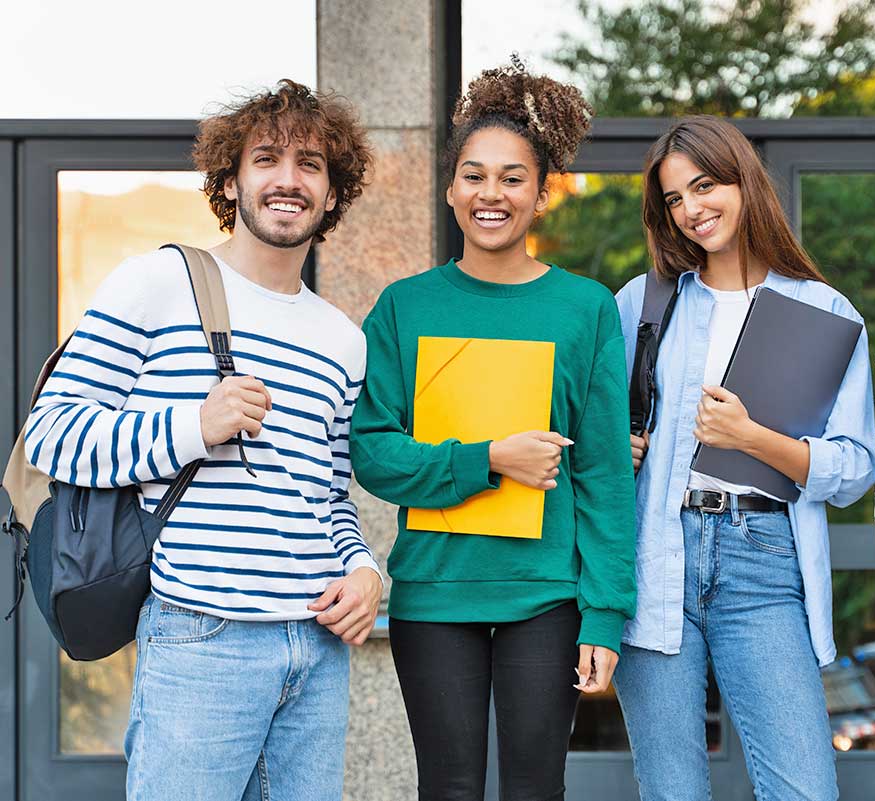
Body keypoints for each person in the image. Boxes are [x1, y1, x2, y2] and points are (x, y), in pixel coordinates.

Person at [23, 79, 382, 801]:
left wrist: (366, 568)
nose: (289, 179)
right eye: (268, 159)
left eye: (311, 164)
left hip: (316, 648)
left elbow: (328, 493)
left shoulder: (343, 338)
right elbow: (50, 434)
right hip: (201, 639)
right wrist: (193, 425)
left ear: (334, 193)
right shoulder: (157, 282)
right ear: (230, 180)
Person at [349, 58, 635, 801]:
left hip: (547, 596)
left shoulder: (586, 309)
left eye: (513, 178)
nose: (492, 194)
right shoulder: (404, 307)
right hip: (435, 593)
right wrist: (490, 459)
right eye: (474, 176)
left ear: (542, 194)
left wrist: (605, 612)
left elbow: (605, 473)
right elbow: (373, 452)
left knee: (538, 788)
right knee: (446, 789)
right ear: (450, 191)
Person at [613, 115, 875, 801]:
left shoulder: (822, 310)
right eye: (674, 198)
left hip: (763, 559)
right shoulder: (641, 304)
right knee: (672, 790)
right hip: (656, 556)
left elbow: (854, 470)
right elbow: (598, 437)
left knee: (804, 789)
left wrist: (752, 436)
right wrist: (622, 445)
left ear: (743, 181)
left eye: (704, 186)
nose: (692, 209)